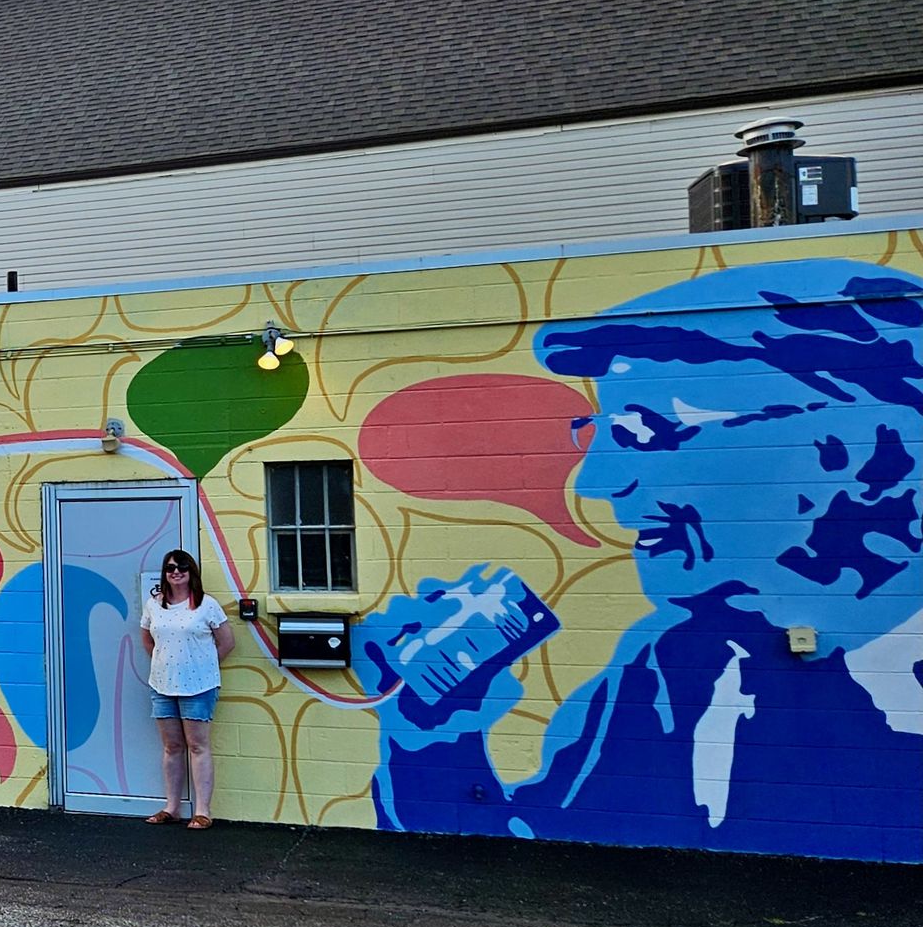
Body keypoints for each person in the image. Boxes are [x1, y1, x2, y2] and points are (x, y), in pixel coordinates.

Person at [354, 260, 923, 861]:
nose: (596, 483)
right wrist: (435, 736)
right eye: (597, 433)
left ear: (861, 455)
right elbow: (538, 855)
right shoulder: (679, 656)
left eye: (644, 432)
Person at [139, 548, 235, 829]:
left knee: (198, 745)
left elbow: (227, 642)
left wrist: (202, 665)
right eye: (170, 568)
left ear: (192, 571)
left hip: (199, 687)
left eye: (182, 567)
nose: (176, 572)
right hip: (162, 685)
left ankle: (203, 810)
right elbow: (147, 640)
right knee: (171, 747)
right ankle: (172, 807)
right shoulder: (154, 604)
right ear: (164, 574)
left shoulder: (207, 605)